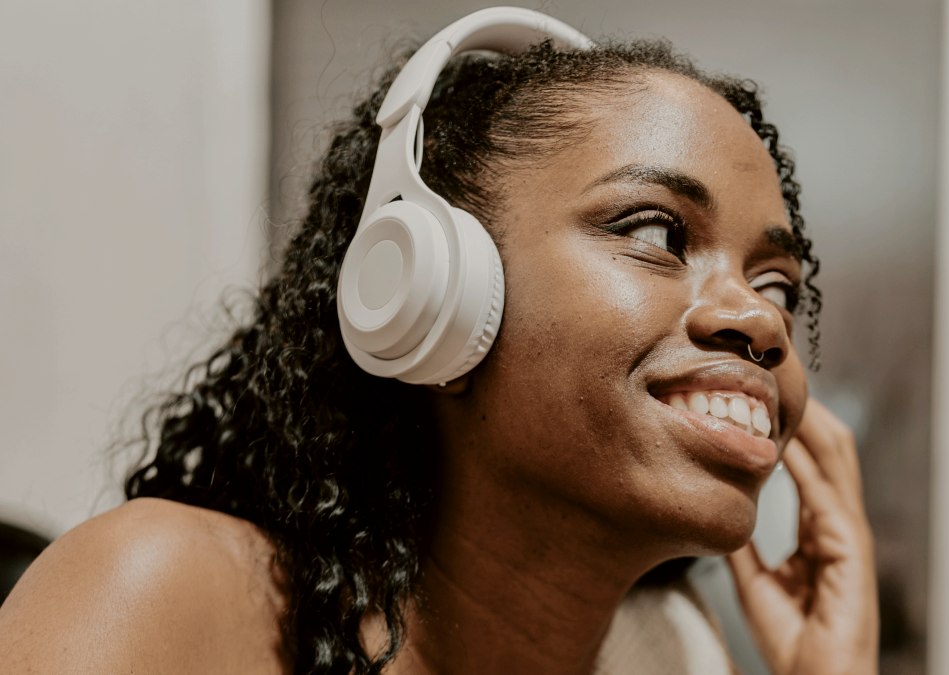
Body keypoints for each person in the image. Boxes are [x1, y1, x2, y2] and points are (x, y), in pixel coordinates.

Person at [0, 8, 878, 674]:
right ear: (436, 297)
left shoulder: (677, 650)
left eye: (778, 287)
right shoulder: (163, 598)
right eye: (656, 233)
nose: (763, 321)